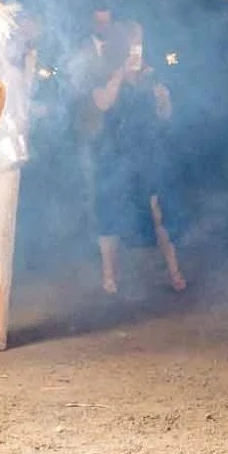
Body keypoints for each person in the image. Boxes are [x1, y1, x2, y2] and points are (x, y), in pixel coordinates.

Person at [89, 21, 185, 294]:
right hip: (115, 152)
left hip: (148, 150)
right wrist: (121, 72)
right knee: (111, 211)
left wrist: (164, 99)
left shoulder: (151, 75)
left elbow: (165, 115)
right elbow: (103, 103)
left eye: (139, 42)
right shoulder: (103, 72)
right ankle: (109, 276)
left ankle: (174, 270)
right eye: (131, 43)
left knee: (159, 210)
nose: (136, 49)